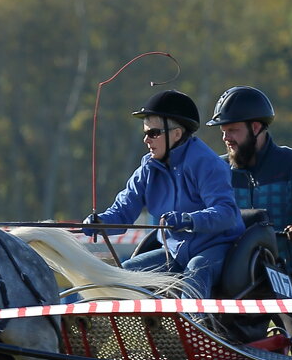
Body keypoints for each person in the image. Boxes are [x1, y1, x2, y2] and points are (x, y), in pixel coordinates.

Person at [206, 86, 292, 359]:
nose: (225, 137)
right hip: (238, 280)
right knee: (223, 354)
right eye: (223, 130)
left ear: (256, 127)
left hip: (290, 275)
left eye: (232, 130)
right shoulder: (217, 171)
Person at [83, 89, 244, 298]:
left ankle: (194, 327)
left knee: (196, 270)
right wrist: (100, 223)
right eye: (145, 133)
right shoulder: (147, 168)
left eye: (153, 133)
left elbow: (226, 213)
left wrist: (188, 220)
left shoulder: (207, 164)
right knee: (124, 273)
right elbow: (123, 212)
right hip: (175, 253)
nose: (146, 140)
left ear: (177, 134)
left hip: (220, 249)